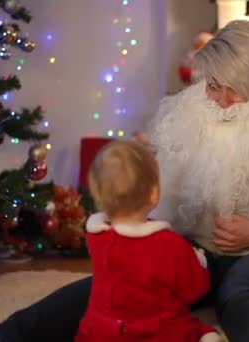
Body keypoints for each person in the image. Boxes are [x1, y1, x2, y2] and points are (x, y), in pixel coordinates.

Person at [0, 20, 249, 342]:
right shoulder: (189, 112)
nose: (220, 98)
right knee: (114, 286)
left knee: (241, 293)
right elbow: (163, 198)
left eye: (232, 86)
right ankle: (3, 335)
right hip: (198, 256)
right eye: (213, 84)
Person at [74, 140, 221, 342]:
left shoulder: (97, 235)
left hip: (99, 332)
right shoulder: (170, 245)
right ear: (153, 194)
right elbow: (194, 290)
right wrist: (198, 261)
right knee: (199, 331)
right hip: (154, 333)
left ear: (98, 195)